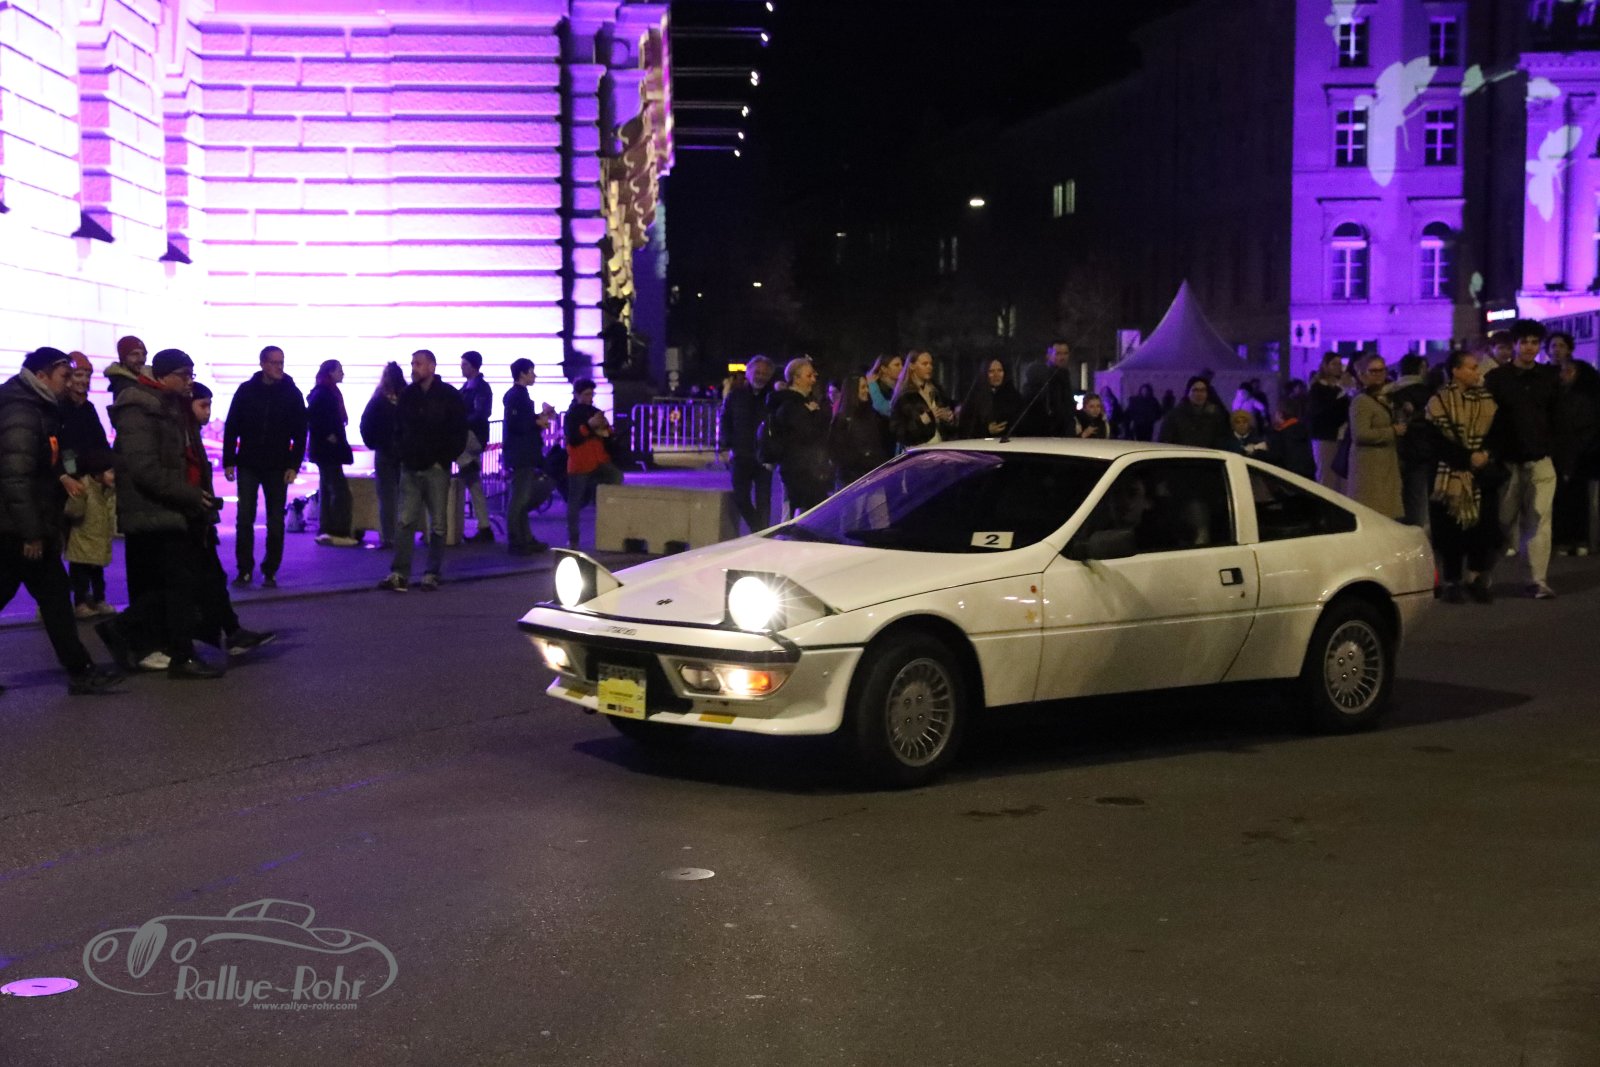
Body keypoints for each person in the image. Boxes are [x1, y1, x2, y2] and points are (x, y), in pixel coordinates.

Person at [0, 346, 124, 695]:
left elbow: (44, 464)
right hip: (16, 526)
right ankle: (81, 670)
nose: (70, 383)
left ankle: (81, 669)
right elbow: (16, 478)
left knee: (54, 597)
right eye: (65, 376)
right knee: (54, 596)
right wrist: (31, 533)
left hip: (21, 522)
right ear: (41, 376)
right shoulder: (22, 411)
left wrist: (62, 476)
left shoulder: (37, 406)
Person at [104, 349, 225, 679]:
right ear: (163, 375)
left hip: (175, 506)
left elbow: (187, 457)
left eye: (191, 375)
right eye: (184, 375)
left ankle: (165, 645)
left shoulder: (171, 404)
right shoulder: (139, 406)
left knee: (176, 583)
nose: (189, 382)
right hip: (154, 508)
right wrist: (188, 494)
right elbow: (144, 468)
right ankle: (171, 651)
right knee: (177, 583)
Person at [187, 382, 276, 657]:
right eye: (203, 405)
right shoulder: (181, 434)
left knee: (213, 578)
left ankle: (231, 631)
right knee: (202, 579)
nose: (208, 412)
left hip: (197, 517)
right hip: (188, 518)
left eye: (209, 405)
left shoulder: (190, 432)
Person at [378, 350, 467, 592]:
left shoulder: (448, 395)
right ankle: (401, 572)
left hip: (434, 466)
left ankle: (430, 572)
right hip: (412, 465)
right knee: (406, 521)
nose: (413, 368)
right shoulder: (409, 395)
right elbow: (398, 428)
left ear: (431, 366)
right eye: (413, 363)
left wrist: (443, 458)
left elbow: (459, 431)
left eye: (418, 364)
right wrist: (403, 454)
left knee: (436, 523)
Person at [1485, 319, 1562, 598]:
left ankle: (1537, 579)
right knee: (1502, 520)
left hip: (1541, 458)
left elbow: (1558, 417)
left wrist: (1558, 451)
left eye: (1534, 342)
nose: (1529, 347)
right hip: (1507, 460)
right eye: (1524, 342)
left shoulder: (1549, 377)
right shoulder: (1497, 378)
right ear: (1515, 345)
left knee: (1539, 519)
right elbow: (1488, 419)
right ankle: (1482, 574)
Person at [222, 345, 306, 588]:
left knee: (275, 521)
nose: (279, 367)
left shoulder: (292, 393)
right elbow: (232, 426)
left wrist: (293, 465)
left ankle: (270, 570)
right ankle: (245, 569)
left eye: (281, 362)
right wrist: (229, 460)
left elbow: (301, 433)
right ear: (262, 364)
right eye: (274, 362)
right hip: (248, 462)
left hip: (277, 465)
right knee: (244, 518)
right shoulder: (246, 391)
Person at [1426, 350, 1502, 604]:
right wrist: (1468, 457)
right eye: (1471, 367)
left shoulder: (1487, 400)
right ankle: (1452, 581)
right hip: (1450, 475)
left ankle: (1475, 577)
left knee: (1482, 528)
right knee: (1450, 531)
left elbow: (1498, 432)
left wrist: (1485, 453)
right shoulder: (1439, 401)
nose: (1476, 372)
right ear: (1456, 371)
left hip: (1481, 474)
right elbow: (1435, 441)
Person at [60, 351, 117, 617]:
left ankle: (95, 597)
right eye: (78, 375)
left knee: (92, 541)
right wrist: (72, 474)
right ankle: (76, 600)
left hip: (91, 480)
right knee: (77, 546)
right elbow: (65, 448)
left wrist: (105, 468)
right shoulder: (61, 408)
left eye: (87, 375)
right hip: (71, 483)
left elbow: (100, 443)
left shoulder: (88, 408)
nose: (83, 380)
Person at [717, 355, 777, 533]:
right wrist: (726, 445)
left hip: (763, 458)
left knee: (763, 501)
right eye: (757, 372)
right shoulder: (736, 396)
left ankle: (763, 534)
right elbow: (725, 420)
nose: (760, 377)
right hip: (740, 455)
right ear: (749, 373)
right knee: (740, 497)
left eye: (765, 374)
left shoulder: (773, 398)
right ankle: (759, 529)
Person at [502, 358, 555, 555]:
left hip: (523, 453)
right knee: (519, 499)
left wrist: (538, 418)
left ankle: (525, 538)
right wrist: (537, 422)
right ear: (522, 374)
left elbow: (521, 422)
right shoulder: (516, 396)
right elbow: (516, 424)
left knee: (521, 498)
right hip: (521, 454)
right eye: (531, 371)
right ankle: (516, 540)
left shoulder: (519, 395)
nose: (534, 375)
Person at [563, 378, 624, 547]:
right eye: (586, 394)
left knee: (615, 479)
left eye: (591, 394)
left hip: (599, 460)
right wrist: (590, 426)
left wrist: (607, 429)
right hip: (580, 463)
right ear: (577, 395)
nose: (590, 398)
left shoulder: (595, 411)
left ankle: (608, 531)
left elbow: (607, 434)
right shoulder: (571, 414)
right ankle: (573, 539)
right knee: (575, 502)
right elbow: (573, 439)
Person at [769, 357, 834, 514]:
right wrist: (815, 415)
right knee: (800, 511)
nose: (813, 380)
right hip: (799, 470)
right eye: (809, 376)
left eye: (814, 376)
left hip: (805, 469)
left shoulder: (802, 403)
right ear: (796, 379)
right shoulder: (791, 406)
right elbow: (806, 434)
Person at [1346, 354, 1406, 519]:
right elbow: (1360, 434)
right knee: (1375, 513)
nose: (1379, 375)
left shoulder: (1384, 397)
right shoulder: (1361, 401)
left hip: (1385, 465)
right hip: (1370, 468)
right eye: (1373, 371)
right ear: (1362, 374)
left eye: (1382, 370)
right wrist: (1392, 431)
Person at [307, 359, 358, 548]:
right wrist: (330, 435)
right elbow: (315, 418)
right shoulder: (326, 393)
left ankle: (326, 529)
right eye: (339, 370)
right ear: (330, 372)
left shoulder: (323, 391)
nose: (342, 373)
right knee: (339, 491)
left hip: (323, 451)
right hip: (328, 450)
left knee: (328, 489)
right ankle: (338, 530)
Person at [1552, 358, 1598, 556]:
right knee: (1565, 500)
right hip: (1566, 455)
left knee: (1577, 499)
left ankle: (1577, 539)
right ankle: (1568, 540)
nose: (1563, 375)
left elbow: (1586, 431)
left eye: (1568, 371)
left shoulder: (1584, 400)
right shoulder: (1558, 396)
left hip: (1579, 458)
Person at [359, 361, 406, 550]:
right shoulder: (407, 397)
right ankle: (403, 535)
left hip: (384, 452)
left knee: (386, 497)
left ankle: (388, 537)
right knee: (404, 496)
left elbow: (366, 424)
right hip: (404, 453)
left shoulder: (378, 399)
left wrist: (374, 443)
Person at [1389, 354, 1435, 530]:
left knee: (1397, 495)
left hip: (1395, 449)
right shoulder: (1427, 393)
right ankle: (1416, 531)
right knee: (1418, 496)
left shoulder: (1389, 392)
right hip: (1421, 450)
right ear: (1421, 368)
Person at [828, 372, 889, 489]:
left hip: (874, 477)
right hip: (853, 482)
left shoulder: (871, 415)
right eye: (863, 387)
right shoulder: (842, 420)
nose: (867, 390)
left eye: (867, 386)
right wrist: (864, 459)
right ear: (853, 390)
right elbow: (837, 453)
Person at [457, 350, 494, 542]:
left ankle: (483, 526)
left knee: (472, 481)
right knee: (474, 484)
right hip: (475, 436)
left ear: (473, 366)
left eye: (464, 364)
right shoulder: (475, 387)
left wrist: (460, 423)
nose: (461, 367)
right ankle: (484, 525)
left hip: (471, 436)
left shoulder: (475, 388)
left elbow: (481, 414)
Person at [889, 350, 956, 451]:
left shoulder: (936, 390)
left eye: (931, 364)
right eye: (925, 364)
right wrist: (926, 418)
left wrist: (949, 418)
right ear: (912, 366)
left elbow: (948, 422)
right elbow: (899, 431)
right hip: (917, 451)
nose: (930, 367)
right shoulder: (905, 396)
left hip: (940, 448)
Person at [1014, 340, 1077, 436]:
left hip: (1063, 433)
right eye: (1058, 354)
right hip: (1045, 433)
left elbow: (1067, 407)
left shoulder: (1065, 376)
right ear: (1048, 356)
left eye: (1065, 353)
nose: (1062, 357)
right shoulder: (1040, 376)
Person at [1308, 352, 1348, 490]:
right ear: (1325, 366)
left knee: (1341, 479)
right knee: (1326, 475)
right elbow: (1322, 412)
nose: (1338, 367)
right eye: (1334, 364)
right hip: (1324, 436)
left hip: (1340, 436)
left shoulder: (1339, 387)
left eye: (1340, 364)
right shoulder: (1318, 388)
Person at [1157, 376, 1232, 449]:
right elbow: (1165, 442)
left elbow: (1221, 440)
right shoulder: (1174, 416)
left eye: (1203, 390)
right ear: (1188, 393)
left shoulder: (1215, 415)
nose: (1199, 394)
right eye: (1195, 390)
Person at [957, 359, 1022, 439]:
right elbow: (966, 427)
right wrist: (986, 430)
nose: (996, 375)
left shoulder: (1014, 396)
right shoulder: (975, 397)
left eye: (1000, 370)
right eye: (991, 371)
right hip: (981, 443)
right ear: (984, 374)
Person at [1267, 393, 1317, 479]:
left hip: (1289, 480)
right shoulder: (1303, 430)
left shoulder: (1281, 434)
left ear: (1280, 414)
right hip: (1308, 478)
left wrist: (1257, 451)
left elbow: (1274, 457)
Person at [104, 335, 147, 399]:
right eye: (134, 354)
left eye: (144, 354)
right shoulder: (126, 388)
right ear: (123, 358)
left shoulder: (143, 380)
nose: (141, 359)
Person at [866, 354, 903, 419]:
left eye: (902, 364)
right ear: (884, 369)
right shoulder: (876, 388)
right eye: (897, 365)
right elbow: (885, 409)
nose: (902, 368)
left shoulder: (902, 386)